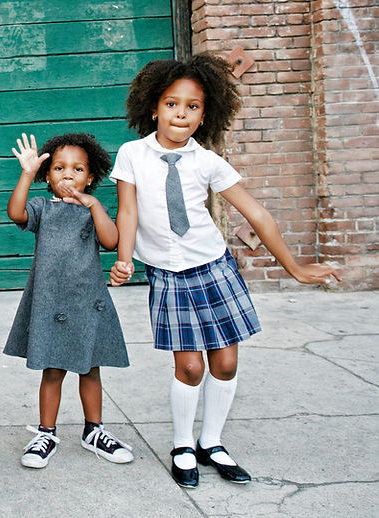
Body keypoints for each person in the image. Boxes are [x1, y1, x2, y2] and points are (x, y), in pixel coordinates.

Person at [109, 53, 340, 488]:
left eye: (192, 106)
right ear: (153, 107)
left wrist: (294, 267)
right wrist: (124, 259)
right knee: (191, 367)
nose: (181, 113)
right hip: (168, 273)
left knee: (226, 362)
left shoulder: (208, 162)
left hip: (214, 268)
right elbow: (127, 211)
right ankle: (182, 444)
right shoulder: (132, 154)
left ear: (204, 115)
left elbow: (257, 213)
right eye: (172, 103)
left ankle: (211, 442)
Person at [4, 132, 133, 469]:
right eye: (59, 168)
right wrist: (27, 173)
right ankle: (46, 433)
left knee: (90, 369)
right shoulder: (43, 208)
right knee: (53, 370)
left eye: (77, 169)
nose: (67, 175)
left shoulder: (93, 209)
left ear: (90, 178)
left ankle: (94, 430)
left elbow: (110, 240)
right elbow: (16, 213)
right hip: (51, 302)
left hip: (87, 301)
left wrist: (93, 205)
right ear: (48, 176)